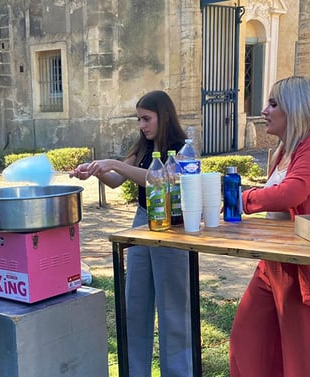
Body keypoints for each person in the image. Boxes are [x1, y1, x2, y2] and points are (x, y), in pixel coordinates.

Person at [70, 90, 192, 377]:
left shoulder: (180, 147)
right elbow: (115, 181)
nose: (142, 125)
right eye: (139, 119)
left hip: (172, 228)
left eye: (146, 119)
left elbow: (159, 179)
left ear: (163, 116)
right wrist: (96, 170)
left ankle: (178, 372)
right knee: (134, 306)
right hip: (141, 223)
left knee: (173, 309)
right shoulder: (141, 146)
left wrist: (116, 164)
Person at [229, 76, 310, 377]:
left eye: (273, 103)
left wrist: (243, 199)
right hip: (273, 265)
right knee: (247, 342)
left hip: (305, 270)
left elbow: (291, 194)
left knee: (303, 364)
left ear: (295, 109)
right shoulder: (283, 151)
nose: (264, 110)